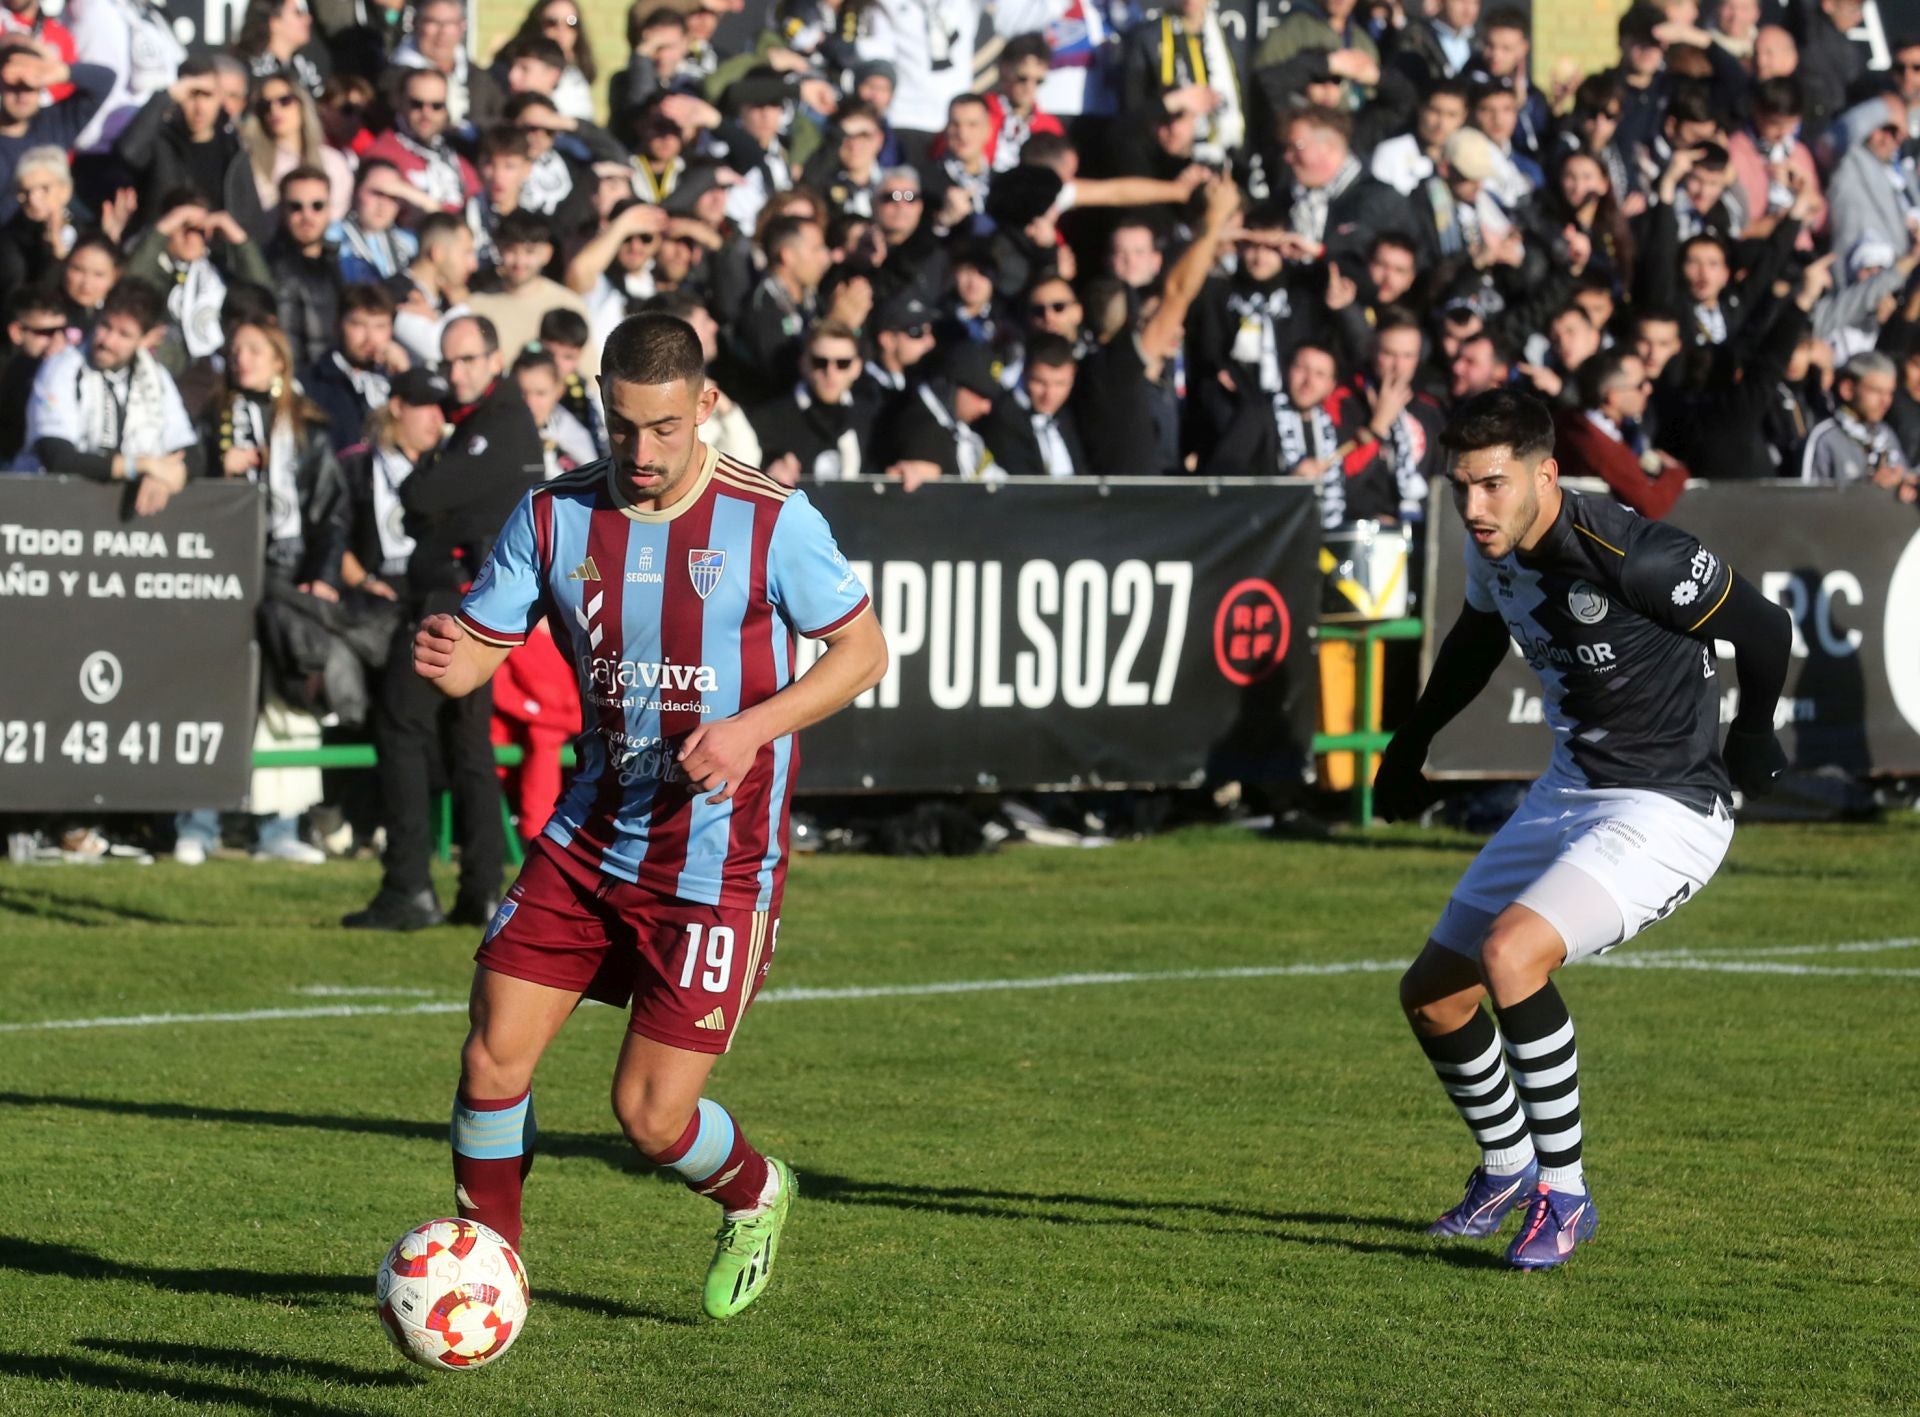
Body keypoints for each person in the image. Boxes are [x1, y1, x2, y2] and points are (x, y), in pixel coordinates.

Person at [411, 310, 886, 1319]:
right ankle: (486, 1274)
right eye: (623, 427)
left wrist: (753, 727)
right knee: (492, 1051)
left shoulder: (772, 520)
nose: (642, 452)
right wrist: (456, 655)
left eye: (665, 428)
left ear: (705, 406)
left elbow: (863, 654)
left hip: (718, 862)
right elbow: (483, 650)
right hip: (590, 838)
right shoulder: (551, 515)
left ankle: (757, 1193)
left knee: (650, 1113)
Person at [1373, 387, 1791, 1270]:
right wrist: (1410, 745)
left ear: (1544, 473)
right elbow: (1477, 639)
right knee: (1434, 995)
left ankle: (1565, 1197)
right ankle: (1509, 1165)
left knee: (1512, 955)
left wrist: (1752, 739)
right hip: (1573, 788)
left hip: (1669, 806)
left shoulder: (1631, 554)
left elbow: (1765, 626)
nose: (1474, 506)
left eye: (1492, 484)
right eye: (1461, 487)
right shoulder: (1493, 542)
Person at [343, 314, 545, 932]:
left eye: (466, 362)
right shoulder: (482, 422)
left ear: (493, 360)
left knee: (402, 721)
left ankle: (410, 885)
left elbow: (422, 498)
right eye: (449, 362)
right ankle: (481, 890)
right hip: (474, 601)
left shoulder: (499, 423)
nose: (455, 374)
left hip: (456, 602)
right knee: (468, 744)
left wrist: (434, 499)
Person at [17, 277, 201, 518]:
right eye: (105, 326)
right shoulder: (61, 368)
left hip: (118, 520)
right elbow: (58, 457)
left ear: (148, 338)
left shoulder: (156, 377)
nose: (107, 341)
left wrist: (166, 477)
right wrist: (142, 465)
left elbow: (189, 452)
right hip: (47, 511)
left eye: (124, 334)